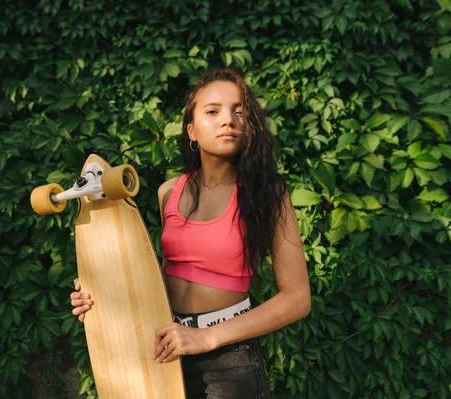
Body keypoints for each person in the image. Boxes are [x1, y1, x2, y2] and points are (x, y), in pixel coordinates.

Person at [70, 68, 311, 398]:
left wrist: (206, 337)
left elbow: (297, 299)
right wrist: (104, 296)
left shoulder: (267, 193)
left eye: (239, 111)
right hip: (165, 346)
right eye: (213, 111)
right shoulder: (170, 192)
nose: (228, 120)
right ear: (191, 130)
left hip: (229, 360)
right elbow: (164, 279)